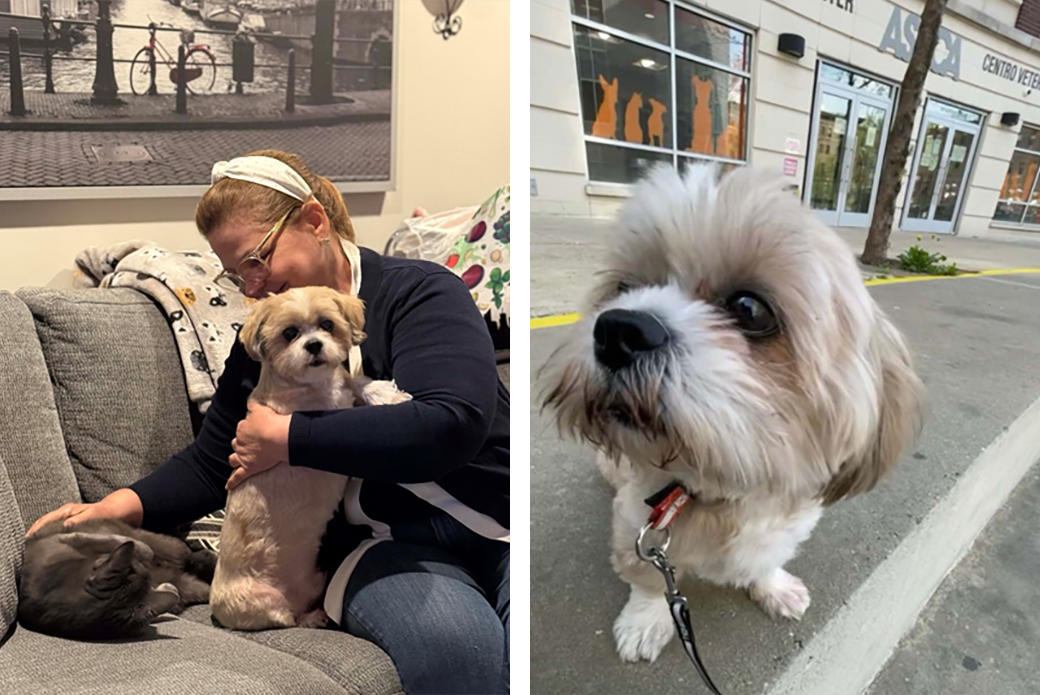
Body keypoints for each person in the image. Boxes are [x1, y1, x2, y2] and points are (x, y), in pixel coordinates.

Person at [27, 150, 510, 695]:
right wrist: (116, 507)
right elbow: (216, 462)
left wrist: (288, 438)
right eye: (237, 275)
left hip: (501, 519)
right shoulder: (262, 335)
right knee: (457, 648)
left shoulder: (417, 291)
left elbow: (451, 422)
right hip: (378, 545)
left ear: (314, 221)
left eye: (258, 260)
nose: (253, 287)